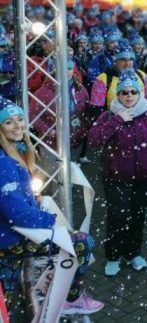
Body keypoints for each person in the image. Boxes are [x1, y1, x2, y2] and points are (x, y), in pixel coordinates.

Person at [0, 97, 103, 317]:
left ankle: (51, 289)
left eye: (20, 119)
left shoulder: (13, 153)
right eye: (9, 122)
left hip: (13, 233)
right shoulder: (4, 163)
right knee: (83, 244)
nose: (18, 126)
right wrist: (47, 220)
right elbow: (15, 213)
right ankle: (70, 298)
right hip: (11, 239)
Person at [88, 69, 147, 277]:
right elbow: (94, 141)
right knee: (118, 217)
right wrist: (117, 120)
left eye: (132, 92)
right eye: (124, 92)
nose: (128, 96)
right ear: (117, 95)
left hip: (144, 179)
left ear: (139, 93)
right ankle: (114, 255)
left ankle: (133, 252)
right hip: (115, 179)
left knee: (137, 216)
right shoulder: (108, 115)